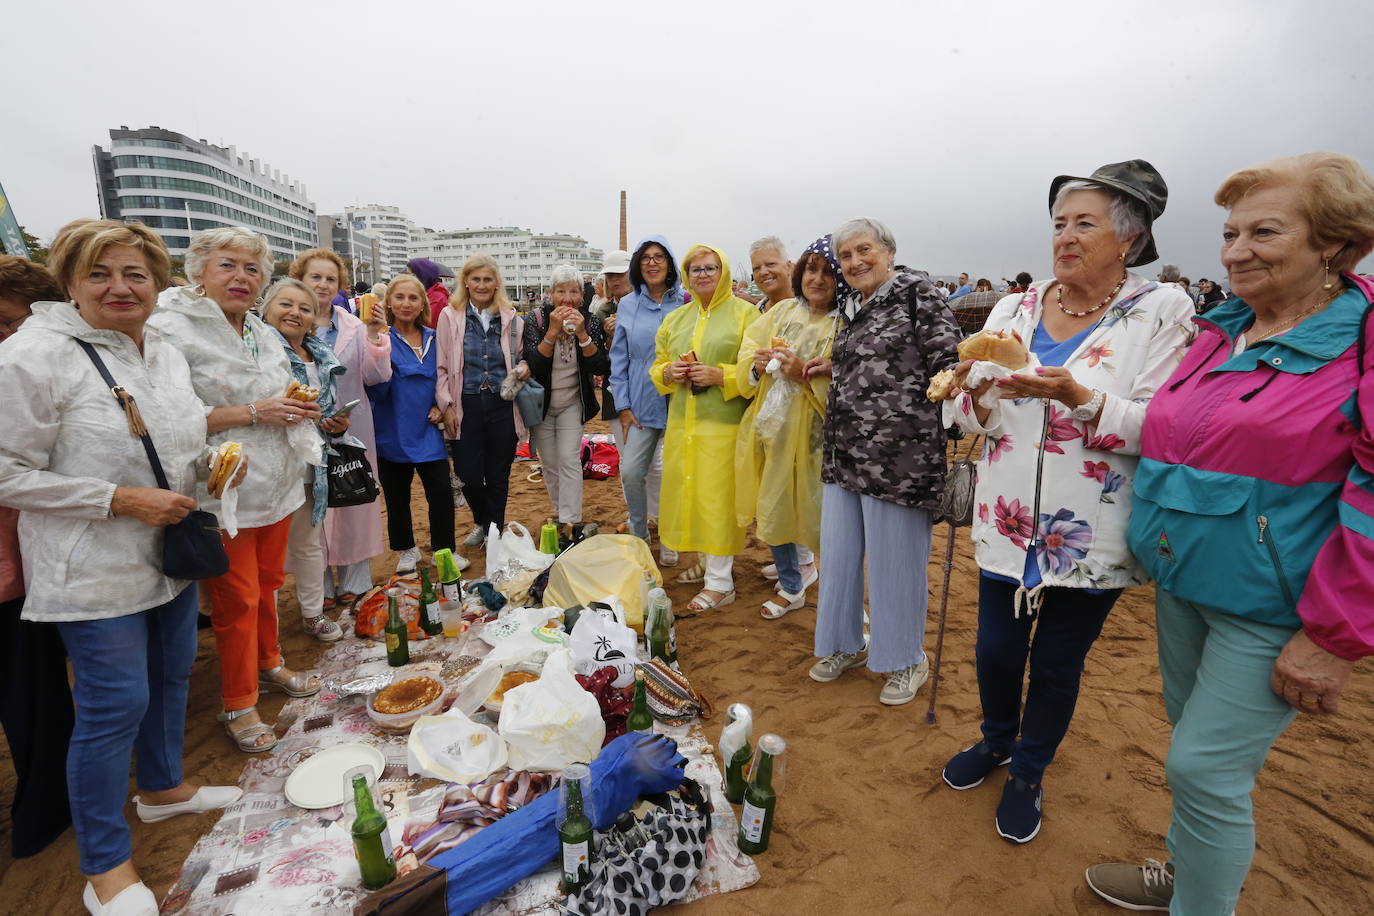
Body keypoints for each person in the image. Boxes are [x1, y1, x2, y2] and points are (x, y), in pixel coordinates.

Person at [1086, 152, 1374, 915]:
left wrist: (1336, 636)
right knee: (1197, 752)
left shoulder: (1361, 347)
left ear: (1337, 246)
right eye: (1230, 232)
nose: (1236, 251)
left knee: (1203, 769)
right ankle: (1190, 874)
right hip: (1184, 583)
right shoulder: (1223, 330)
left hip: (1272, 607)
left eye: (1265, 232)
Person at [940, 160, 1195, 845]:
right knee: (995, 649)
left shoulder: (1162, 311)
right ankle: (997, 740)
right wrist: (982, 393)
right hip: (1007, 515)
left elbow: (1163, 427)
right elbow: (966, 411)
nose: (1066, 237)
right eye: (1059, 223)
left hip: (1092, 526)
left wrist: (1078, 399)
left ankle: (1028, 770)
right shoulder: (1015, 307)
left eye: (1085, 223)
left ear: (1131, 239)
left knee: (1056, 661)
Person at [0, 220, 245, 915]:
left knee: (170, 676)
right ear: (70, 281)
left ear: (158, 283)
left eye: (135, 273)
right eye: (99, 273)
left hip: (166, 554)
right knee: (113, 707)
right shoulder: (34, 356)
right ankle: (104, 864)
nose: (119, 287)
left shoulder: (161, 350)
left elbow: (186, 426)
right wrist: (114, 499)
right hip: (90, 566)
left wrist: (214, 465)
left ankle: (163, 790)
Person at [149, 227, 322, 755]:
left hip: (276, 481)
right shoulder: (170, 329)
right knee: (236, 597)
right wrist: (252, 413)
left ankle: (268, 662)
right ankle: (238, 701)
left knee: (268, 582)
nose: (241, 278)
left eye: (252, 269)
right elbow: (165, 418)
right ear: (198, 269)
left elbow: (271, 395)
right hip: (219, 488)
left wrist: (295, 405)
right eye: (228, 265)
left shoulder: (258, 329)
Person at [808, 217, 960, 707]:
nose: (854, 262)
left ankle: (905, 659)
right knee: (838, 557)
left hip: (900, 458)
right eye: (846, 256)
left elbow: (947, 363)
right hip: (845, 452)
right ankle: (843, 644)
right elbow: (879, 359)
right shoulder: (852, 305)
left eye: (864, 250)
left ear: (888, 250)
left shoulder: (919, 292)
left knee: (896, 565)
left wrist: (951, 406)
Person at [0, 255, 75, 859]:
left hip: (25, 565)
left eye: (7, 320)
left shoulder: (44, 363)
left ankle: (44, 810)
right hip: (14, 563)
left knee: (35, 689)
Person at [735, 235, 849, 618]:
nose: (817, 280)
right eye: (811, 270)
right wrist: (757, 361)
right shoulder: (784, 313)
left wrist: (805, 374)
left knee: (827, 521)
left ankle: (838, 595)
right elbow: (749, 347)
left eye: (828, 272)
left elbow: (851, 383)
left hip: (821, 440)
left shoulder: (847, 323)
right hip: (776, 432)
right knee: (774, 507)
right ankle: (791, 584)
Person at [651, 245, 758, 612]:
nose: (703, 274)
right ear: (686, 274)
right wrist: (668, 373)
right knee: (691, 497)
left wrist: (720, 375)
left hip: (724, 427)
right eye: (695, 269)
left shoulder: (747, 315)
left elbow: (756, 371)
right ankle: (705, 564)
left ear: (723, 271)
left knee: (718, 503)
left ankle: (720, 582)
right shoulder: (677, 318)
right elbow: (659, 364)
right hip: (684, 425)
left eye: (710, 268)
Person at [290, 249, 390, 606]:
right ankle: (319, 589)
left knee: (353, 500)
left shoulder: (354, 326)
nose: (322, 284)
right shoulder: (284, 324)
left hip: (351, 428)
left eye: (330, 279)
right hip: (302, 432)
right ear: (300, 279)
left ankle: (355, 580)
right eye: (315, 277)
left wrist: (376, 335)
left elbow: (376, 377)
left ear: (340, 286)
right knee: (310, 508)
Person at [260, 278, 349, 642]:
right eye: (285, 304)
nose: (294, 313)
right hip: (268, 461)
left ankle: (313, 614)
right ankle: (263, 632)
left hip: (311, 460)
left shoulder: (321, 354)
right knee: (263, 551)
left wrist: (334, 422)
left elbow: (323, 409)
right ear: (266, 309)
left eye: (304, 308)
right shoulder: (258, 350)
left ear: (314, 317)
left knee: (309, 541)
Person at [369, 273, 459, 572]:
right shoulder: (381, 338)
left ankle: (444, 550)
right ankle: (406, 550)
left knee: (441, 493)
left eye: (413, 297)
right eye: (400, 297)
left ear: (422, 302)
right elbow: (374, 381)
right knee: (397, 496)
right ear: (389, 302)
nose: (406, 304)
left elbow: (445, 375)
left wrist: (440, 402)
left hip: (428, 426)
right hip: (391, 426)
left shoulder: (435, 337)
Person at [436, 255, 526, 547]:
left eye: (488, 279)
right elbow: (442, 364)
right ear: (466, 282)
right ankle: (486, 523)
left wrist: (525, 367)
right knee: (468, 474)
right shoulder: (450, 315)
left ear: (496, 283)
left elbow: (521, 357)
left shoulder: (512, 318)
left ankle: (494, 533)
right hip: (467, 403)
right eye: (476, 279)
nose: (482, 285)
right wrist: (446, 403)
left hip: (503, 404)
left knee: (498, 475)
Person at [515, 264, 610, 537]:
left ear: (582, 295)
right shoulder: (536, 319)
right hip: (542, 404)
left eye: (573, 292)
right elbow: (535, 364)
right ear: (550, 294)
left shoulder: (590, 320)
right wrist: (553, 331)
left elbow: (600, 366)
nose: (567, 298)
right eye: (561, 291)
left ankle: (571, 517)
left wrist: (582, 334)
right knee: (550, 462)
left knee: (568, 458)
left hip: (572, 401)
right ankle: (560, 512)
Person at [610, 237, 683, 566]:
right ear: (637, 266)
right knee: (631, 471)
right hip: (641, 404)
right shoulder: (627, 305)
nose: (652, 263)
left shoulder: (685, 303)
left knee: (675, 475)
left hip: (681, 404)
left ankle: (671, 533)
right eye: (646, 259)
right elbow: (619, 361)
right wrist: (623, 405)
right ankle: (640, 533)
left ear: (669, 264)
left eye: (659, 257)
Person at [749, 236, 794, 314]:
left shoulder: (811, 308)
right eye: (756, 268)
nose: (763, 272)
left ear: (788, 267)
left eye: (770, 264)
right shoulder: (755, 314)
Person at [408, 257, 452, 328]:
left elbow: (428, 323)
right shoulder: (424, 293)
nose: (407, 279)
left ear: (421, 275)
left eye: (411, 275)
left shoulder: (437, 297)